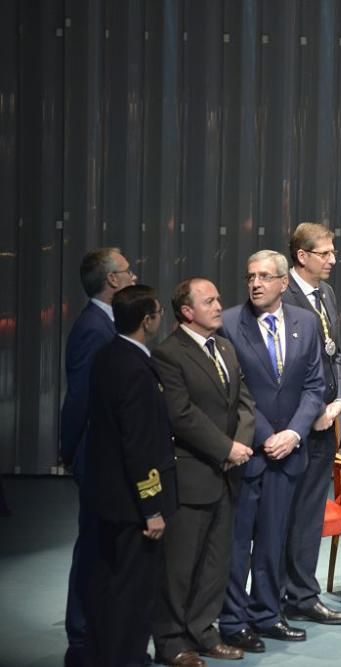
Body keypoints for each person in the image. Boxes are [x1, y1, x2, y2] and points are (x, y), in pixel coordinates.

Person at [218, 250, 325, 650]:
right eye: (250, 277)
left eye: (264, 276)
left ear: (284, 282)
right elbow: (233, 390)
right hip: (249, 452)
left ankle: (267, 613)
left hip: (289, 453)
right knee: (237, 543)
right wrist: (267, 435)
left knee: (274, 539)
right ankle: (232, 620)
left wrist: (295, 433)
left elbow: (316, 385)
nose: (256, 283)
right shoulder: (229, 323)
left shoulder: (306, 323)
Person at [150, 278, 256, 666]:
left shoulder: (225, 347)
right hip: (191, 475)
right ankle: (172, 641)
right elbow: (181, 415)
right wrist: (225, 448)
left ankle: (203, 631)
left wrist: (238, 449)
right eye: (208, 300)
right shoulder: (168, 354)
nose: (218, 305)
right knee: (179, 566)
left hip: (226, 474)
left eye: (217, 297)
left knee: (216, 563)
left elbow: (245, 403)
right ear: (186, 311)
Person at [84, 284, 177, 667]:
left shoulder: (108, 356)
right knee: (133, 591)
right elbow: (140, 446)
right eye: (157, 312)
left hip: (108, 496)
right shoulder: (136, 369)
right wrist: (151, 507)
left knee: (109, 583)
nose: (159, 318)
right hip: (132, 504)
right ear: (147, 320)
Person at [61, 247, 136, 667]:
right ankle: (82, 635)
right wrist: (71, 451)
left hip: (106, 457)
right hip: (96, 457)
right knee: (92, 546)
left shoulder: (105, 324)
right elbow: (81, 399)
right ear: (112, 280)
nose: (133, 275)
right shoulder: (94, 328)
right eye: (127, 270)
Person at [282, 223, 341, 625]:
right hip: (294, 427)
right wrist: (310, 414)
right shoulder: (282, 295)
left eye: (333, 252)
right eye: (324, 253)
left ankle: (304, 595)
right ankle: (273, 597)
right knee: (283, 518)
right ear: (301, 256)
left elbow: (335, 354)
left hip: (327, 425)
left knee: (309, 516)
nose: (332, 259)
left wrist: (339, 400)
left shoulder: (326, 294)